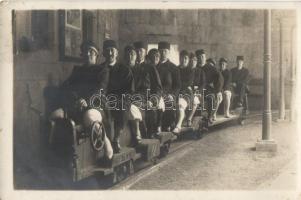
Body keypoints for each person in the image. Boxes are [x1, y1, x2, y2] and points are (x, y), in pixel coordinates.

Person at [49, 40, 113, 160]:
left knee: (89, 117)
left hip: (95, 106)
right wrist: (74, 98)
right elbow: (66, 87)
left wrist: (87, 101)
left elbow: (100, 91)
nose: (88, 54)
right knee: (54, 115)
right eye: (85, 52)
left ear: (96, 55)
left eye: (91, 52)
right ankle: (53, 151)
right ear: (82, 55)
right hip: (76, 106)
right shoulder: (77, 71)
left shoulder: (102, 71)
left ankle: (107, 145)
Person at [103, 40, 135, 153]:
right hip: (102, 100)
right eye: (107, 51)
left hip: (119, 99)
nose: (110, 53)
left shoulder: (125, 70)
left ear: (116, 53)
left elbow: (129, 91)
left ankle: (116, 139)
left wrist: (116, 99)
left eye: (112, 50)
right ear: (103, 53)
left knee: (122, 107)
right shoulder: (99, 69)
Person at [172, 50, 200, 134]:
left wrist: (178, 86)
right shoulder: (175, 69)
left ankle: (178, 125)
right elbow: (173, 82)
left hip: (186, 93)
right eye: (182, 58)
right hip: (176, 92)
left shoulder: (190, 70)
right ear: (179, 58)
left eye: (186, 58)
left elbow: (188, 83)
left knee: (180, 105)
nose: (184, 60)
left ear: (188, 60)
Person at [156, 41, 181, 132]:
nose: (163, 53)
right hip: (156, 94)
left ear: (169, 53)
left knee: (169, 102)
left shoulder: (174, 68)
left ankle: (167, 127)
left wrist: (172, 94)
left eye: (165, 51)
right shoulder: (155, 66)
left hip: (169, 94)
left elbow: (177, 85)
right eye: (161, 51)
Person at [203, 57, 224, 123]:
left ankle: (211, 115)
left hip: (213, 90)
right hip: (205, 89)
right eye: (208, 63)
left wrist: (217, 90)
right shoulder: (203, 69)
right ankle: (210, 115)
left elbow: (220, 82)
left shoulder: (216, 71)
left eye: (210, 64)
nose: (209, 65)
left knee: (216, 98)